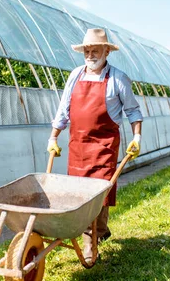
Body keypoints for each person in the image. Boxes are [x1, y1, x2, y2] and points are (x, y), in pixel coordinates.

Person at [47, 28, 143, 263]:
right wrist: (53, 137)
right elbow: (64, 109)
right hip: (78, 145)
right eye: (87, 51)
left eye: (95, 50)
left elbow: (132, 110)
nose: (90, 55)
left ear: (106, 51)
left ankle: (91, 243)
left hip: (104, 146)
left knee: (99, 192)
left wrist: (137, 137)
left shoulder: (118, 79)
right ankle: (99, 230)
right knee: (80, 193)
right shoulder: (75, 75)